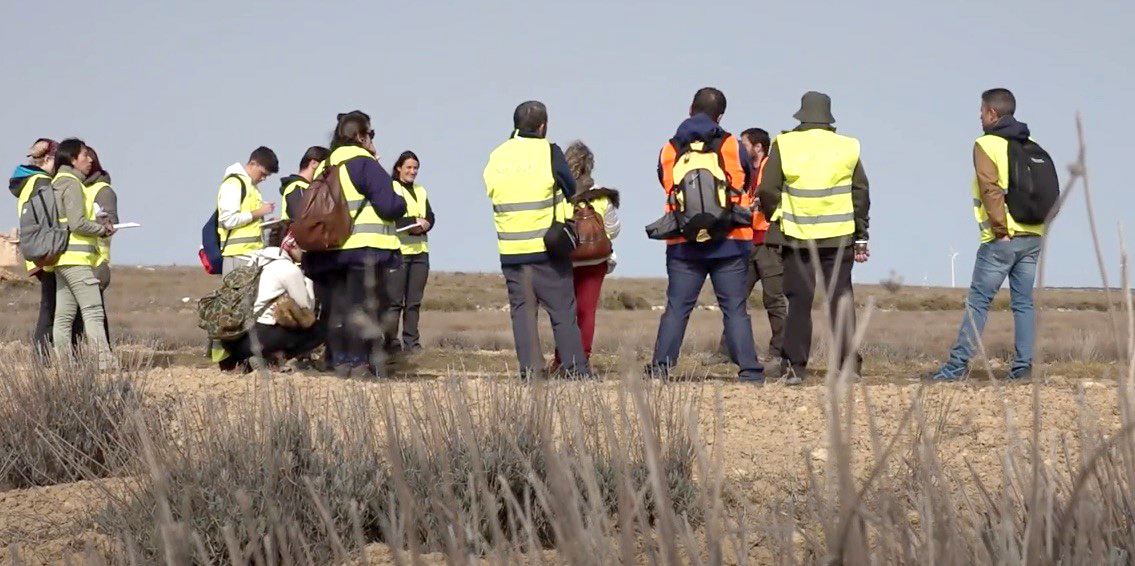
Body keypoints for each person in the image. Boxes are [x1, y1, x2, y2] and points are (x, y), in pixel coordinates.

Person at [646, 87, 765, 383]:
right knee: (735, 309)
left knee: (676, 309)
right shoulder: (731, 146)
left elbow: (665, 183)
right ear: (720, 116)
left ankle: (661, 368)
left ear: (690, 108)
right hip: (731, 241)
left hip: (683, 243)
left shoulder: (669, 149)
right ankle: (750, 372)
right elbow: (746, 181)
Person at [928, 88, 1046, 381]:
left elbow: (990, 189)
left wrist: (1000, 231)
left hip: (1001, 239)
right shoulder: (1032, 143)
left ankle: (956, 368)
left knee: (979, 302)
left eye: (982, 111)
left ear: (992, 113)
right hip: (1033, 235)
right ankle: (1023, 369)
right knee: (1023, 303)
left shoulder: (987, 144)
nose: (979, 116)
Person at [758, 91, 871, 385]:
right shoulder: (848, 147)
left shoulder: (785, 144)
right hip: (840, 237)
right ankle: (849, 366)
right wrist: (861, 233)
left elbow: (768, 189)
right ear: (828, 117)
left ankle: (796, 367)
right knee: (840, 301)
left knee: (799, 303)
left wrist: (778, 215)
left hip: (797, 236)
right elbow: (861, 193)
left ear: (801, 115)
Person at [482, 100, 589, 380]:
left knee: (523, 314)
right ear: (543, 126)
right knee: (563, 312)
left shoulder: (497, 155)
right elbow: (569, 187)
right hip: (547, 249)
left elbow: (490, 188)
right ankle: (576, 370)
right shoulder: (549, 151)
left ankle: (531, 372)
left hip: (512, 250)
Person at [301, 111, 406, 378]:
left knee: (338, 308)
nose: (372, 139)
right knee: (363, 308)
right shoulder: (363, 164)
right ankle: (360, 364)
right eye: (370, 134)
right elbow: (390, 204)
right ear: (360, 136)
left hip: (329, 251)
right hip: (364, 250)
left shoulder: (326, 167)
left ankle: (340, 361)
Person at [712, 128, 787, 367]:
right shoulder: (742, 171)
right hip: (745, 240)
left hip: (767, 241)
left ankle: (779, 352)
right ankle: (726, 350)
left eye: (744, 144)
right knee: (735, 298)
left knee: (773, 298)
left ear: (758, 147)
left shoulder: (771, 169)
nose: (740, 147)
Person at [553, 140, 620, 366]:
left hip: (565, 261)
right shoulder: (601, 196)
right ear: (589, 166)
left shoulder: (558, 194)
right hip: (595, 261)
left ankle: (561, 359)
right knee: (587, 311)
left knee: (564, 312)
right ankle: (583, 359)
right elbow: (613, 230)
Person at [50, 138, 115, 368]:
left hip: (62, 259)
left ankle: (64, 366)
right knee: (93, 311)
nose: (90, 160)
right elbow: (77, 223)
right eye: (85, 155)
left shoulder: (57, 182)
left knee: (64, 316)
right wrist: (101, 229)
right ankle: (104, 362)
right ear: (72, 159)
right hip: (77, 259)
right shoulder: (73, 184)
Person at [9, 138, 71, 356]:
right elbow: (50, 220)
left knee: (49, 305)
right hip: (46, 253)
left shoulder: (28, 183)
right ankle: (42, 357)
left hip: (34, 251)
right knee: (51, 308)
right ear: (48, 158)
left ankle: (42, 356)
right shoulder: (42, 184)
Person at [217, 246, 324, 372]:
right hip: (262, 338)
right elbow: (306, 311)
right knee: (320, 330)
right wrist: (308, 282)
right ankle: (273, 359)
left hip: (235, 339)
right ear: (291, 246)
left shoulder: (253, 264)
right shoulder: (289, 269)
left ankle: (244, 360)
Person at [385, 150, 435, 353]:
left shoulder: (421, 190)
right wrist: (412, 223)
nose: (413, 171)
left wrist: (425, 224)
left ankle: (412, 342)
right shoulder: (391, 188)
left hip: (420, 251)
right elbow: (391, 217)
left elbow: (430, 215)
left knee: (414, 302)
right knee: (395, 301)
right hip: (400, 251)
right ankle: (390, 342)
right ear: (399, 168)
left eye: (415, 168)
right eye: (409, 167)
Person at [217, 146, 278, 273]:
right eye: (263, 174)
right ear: (252, 164)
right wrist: (260, 212)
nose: (264, 179)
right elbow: (228, 220)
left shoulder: (251, 187)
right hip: (237, 258)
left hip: (252, 257)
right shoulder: (233, 184)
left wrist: (269, 223)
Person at [81, 147, 116, 342]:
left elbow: (111, 222)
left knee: (95, 312)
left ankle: (103, 354)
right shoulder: (74, 187)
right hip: (77, 258)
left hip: (96, 260)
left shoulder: (101, 190)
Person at [279, 146, 330, 222]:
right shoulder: (297, 187)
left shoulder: (306, 188)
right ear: (314, 164)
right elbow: (302, 220)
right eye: (326, 167)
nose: (327, 172)